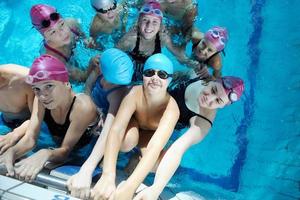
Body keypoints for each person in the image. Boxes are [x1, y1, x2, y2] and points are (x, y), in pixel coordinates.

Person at [133, 75, 245, 200]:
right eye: (213, 90)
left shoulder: (203, 122)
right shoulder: (197, 75)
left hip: (155, 130)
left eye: (218, 101)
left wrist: (155, 189)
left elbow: (177, 149)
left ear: (223, 106)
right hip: (144, 104)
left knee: (155, 165)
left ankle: (136, 156)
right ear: (212, 81)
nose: (209, 100)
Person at [90, 53, 179, 200]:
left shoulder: (171, 109)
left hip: (150, 136)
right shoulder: (133, 94)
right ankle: (112, 156)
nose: (155, 78)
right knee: (126, 141)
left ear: (169, 80)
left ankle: (135, 158)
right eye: (149, 73)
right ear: (142, 75)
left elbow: (154, 148)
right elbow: (116, 130)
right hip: (134, 126)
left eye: (162, 74)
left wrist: (130, 187)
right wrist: (108, 175)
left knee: (157, 166)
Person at [0, 54, 98, 181]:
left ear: (66, 84)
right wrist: (12, 152)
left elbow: (66, 150)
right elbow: (30, 138)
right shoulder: (40, 100)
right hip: (58, 142)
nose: (43, 95)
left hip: (86, 145)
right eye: (36, 89)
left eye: (49, 86)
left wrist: (46, 153)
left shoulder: (83, 107)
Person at [67, 48, 134, 200]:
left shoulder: (118, 92)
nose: (112, 83)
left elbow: (109, 131)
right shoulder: (98, 72)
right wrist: (95, 110)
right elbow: (87, 89)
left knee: (98, 148)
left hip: (112, 124)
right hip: (96, 113)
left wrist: (87, 169)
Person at [116, 1, 195, 82]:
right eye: (145, 20)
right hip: (131, 70)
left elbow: (180, 56)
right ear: (139, 22)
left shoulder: (163, 38)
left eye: (155, 22)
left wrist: (196, 65)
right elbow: (113, 55)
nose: (149, 26)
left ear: (160, 25)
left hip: (152, 72)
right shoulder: (130, 39)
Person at [30, 4, 95, 83]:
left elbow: (83, 37)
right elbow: (83, 78)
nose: (62, 33)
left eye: (61, 24)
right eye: (53, 32)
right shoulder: (54, 60)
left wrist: (86, 40)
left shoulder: (72, 24)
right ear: (45, 37)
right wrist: (91, 64)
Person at [0, 64, 34, 155]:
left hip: (31, 124)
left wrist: (14, 135)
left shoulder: (27, 79)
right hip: (4, 121)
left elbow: (39, 117)